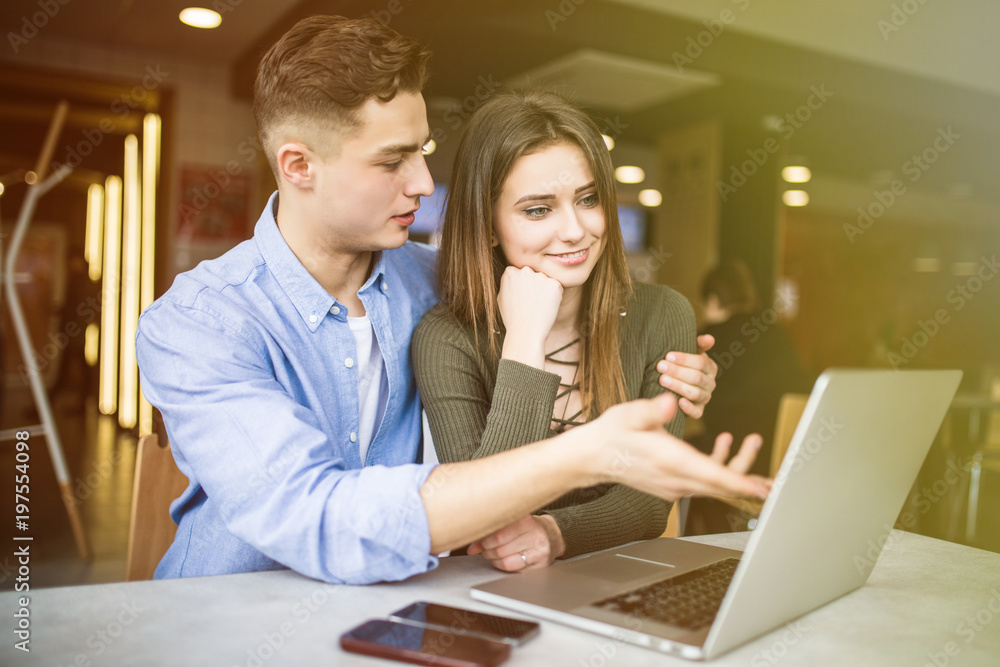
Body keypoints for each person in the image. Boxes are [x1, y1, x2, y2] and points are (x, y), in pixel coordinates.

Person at [136, 15, 768, 585]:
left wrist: (685, 370)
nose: (423, 182)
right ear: (299, 166)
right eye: (393, 160)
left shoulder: (440, 282)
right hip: (228, 614)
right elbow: (318, 520)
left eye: (423, 151)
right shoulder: (198, 324)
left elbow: (569, 299)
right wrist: (586, 453)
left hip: (400, 602)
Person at [412, 90, 766, 571]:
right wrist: (525, 340)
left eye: (588, 199)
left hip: (620, 582)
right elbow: (481, 513)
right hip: (490, 591)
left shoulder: (662, 314)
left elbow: (649, 502)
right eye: (538, 210)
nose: (575, 230)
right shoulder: (446, 338)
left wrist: (556, 533)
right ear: (488, 225)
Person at [686, 259, 808, 534]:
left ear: (713, 300)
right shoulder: (776, 333)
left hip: (732, 452)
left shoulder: (709, 338)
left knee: (677, 452)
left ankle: (696, 538)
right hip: (782, 455)